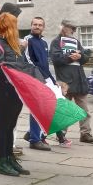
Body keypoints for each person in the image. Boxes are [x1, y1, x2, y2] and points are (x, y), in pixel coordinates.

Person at [0, 12, 37, 177]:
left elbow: (21, 64)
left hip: (16, 89)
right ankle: (3, 161)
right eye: (14, 24)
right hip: (4, 89)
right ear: (8, 26)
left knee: (11, 124)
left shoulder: (13, 44)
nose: (16, 28)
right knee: (3, 124)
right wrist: (16, 65)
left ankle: (10, 157)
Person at [50, 21, 93, 144]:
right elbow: (55, 59)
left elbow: (84, 59)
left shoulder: (76, 42)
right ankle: (61, 134)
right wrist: (69, 58)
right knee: (64, 110)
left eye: (74, 29)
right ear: (63, 28)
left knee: (84, 110)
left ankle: (86, 134)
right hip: (65, 81)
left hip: (79, 80)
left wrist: (81, 56)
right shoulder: (56, 42)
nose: (73, 31)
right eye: (71, 28)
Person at [23, 17, 54, 151]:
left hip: (45, 78)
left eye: (40, 25)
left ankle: (32, 133)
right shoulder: (27, 41)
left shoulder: (43, 42)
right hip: (34, 78)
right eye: (35, 24)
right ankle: (35, 139)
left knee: (48, 108)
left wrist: (52, 80)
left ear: (43, 27)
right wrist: (41, 78)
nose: (37, 27)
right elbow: (29, 61)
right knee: (38, 108)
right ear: (31, 25)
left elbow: (45, 64)